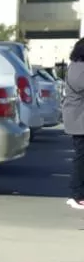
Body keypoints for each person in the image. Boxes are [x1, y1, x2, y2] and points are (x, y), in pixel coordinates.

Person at [62, 38, 84, 209]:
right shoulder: (78, 68)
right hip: (79, 120)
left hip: (79, 118)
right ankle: (77, 195)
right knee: (81, 158)